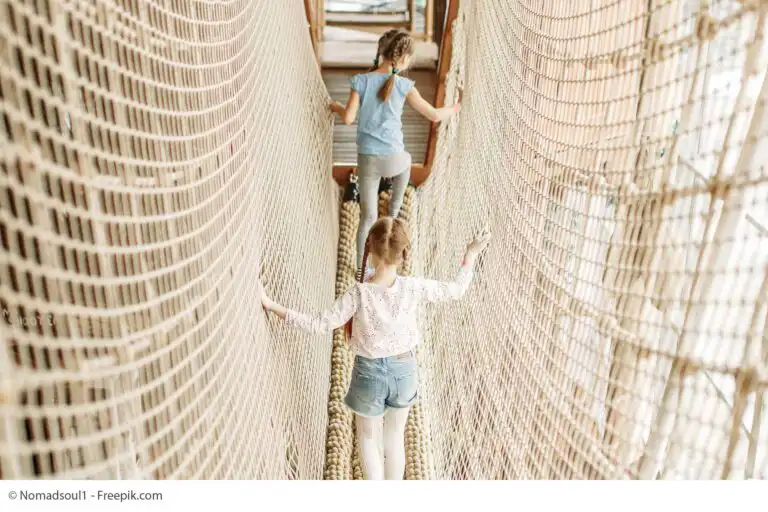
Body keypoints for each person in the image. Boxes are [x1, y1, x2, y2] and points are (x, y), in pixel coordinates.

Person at [260, 217, 491, 480]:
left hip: (369, 374)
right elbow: (457, 290)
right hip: (404, 370)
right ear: (403, 252)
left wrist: (271, 305)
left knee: (368, 439)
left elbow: (319, 324)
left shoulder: (358, 294)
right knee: (395, 439)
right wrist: (470, 255)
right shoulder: (412, 287)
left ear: (369, 245)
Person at [329, 29, 462, 278]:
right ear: (403, 58)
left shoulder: (361, 80)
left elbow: (347, 118)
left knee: (367, 218)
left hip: (367, 161)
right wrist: (456, 107)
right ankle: (392, 214)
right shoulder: (404, 86)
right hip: (394, 161)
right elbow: (434, 115)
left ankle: (362, 270)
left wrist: (336, 107)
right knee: (406, 161)